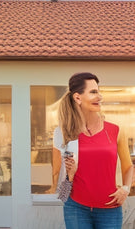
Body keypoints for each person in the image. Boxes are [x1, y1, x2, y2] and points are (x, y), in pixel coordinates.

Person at [52, 72, 133, 229]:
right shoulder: (64, 134)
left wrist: (125, 189)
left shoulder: (115, 130)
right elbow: (61, 191)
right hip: (76, 208)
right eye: (93, 92)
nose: (100, 96)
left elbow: (128, 166)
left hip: (110, 209)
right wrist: (71, 174)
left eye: (99, 91)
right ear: (77, 98)